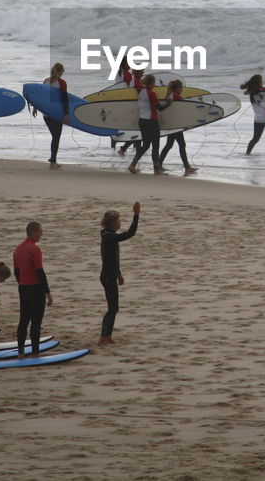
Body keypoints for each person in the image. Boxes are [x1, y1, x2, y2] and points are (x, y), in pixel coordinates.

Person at [98, 201, 140, 346]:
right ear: (112, 224)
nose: (120, 223)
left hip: (110, 275)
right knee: (112, 308)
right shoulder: (109, 237)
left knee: (114, 307)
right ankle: (103, 337)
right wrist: (136, 215)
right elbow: (130, 233)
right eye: (118, 221)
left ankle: (107, 336)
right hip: (107, 277)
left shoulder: (109, 235)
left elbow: (112, 259)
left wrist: (119, 275)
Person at [13, 221, 53, 358]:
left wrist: (22, 284)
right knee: (36, 322)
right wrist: (47, 293)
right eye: (40, 231)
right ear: (34, 232)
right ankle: (35, 353)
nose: (42, 234)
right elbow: (40, 272)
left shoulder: (18, 249)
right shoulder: (35, 249)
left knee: (23, 320)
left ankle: (21, 353)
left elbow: (16, 272)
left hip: (23, 288)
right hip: (36, 288)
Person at [128, 75, 169, 175]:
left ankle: (132, 165)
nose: (154, 85)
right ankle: (156, 169)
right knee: (155, 146)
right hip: (151, 122)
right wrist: (169, 103)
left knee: (146, 145)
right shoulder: (152, 93)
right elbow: (159, 108)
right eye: (154, 83)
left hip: (142, 121)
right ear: (151, 83)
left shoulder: (140, 91)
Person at [31, 63, 70, 170]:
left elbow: (40, 96)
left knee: (55, 137)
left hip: (46, 114)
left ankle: (53, 160)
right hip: (57, 114)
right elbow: (64, 99)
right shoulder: (61, 83)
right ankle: (52, 162)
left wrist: (35, 107)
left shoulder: (46, 81)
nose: (62, 74)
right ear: (58, 71)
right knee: (56, 137)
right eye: (61, 72)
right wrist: (66, 114)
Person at [157, 80, 198, 174]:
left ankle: (159, 164)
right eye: (181, 88)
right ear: (177, 88)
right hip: (175, 125)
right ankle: (187, 167)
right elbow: (180, 111)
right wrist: (184, 124)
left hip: (172, 124)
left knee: (169, 145)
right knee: (182, 145)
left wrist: (186, 99)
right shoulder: (175, 96)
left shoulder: (172, 95)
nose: (182, 89)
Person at [241, 74, 265, 155]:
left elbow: (261, 105)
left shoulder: (251, 93)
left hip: (258, 119)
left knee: (255, 139)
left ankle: (247, 154)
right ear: (259, 82)